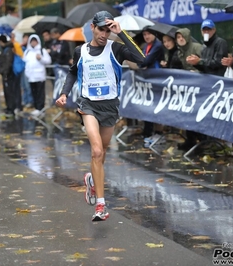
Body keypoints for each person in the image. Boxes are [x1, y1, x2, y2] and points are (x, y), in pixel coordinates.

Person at [55, 11, 144, 221]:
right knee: (96, 151)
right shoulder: (81, 51)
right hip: (88, 105)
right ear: (93, 28)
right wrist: (64, 93)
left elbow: (142, 58)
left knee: (102, 153)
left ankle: (92, 180)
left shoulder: (116, 48)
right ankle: (101, 206)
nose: (104, 34)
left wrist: (121, 34)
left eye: (108, 29)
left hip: (110, 107)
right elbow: (72, 72)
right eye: (101, 29)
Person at [182, 19, 228, 151]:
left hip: (218, 85)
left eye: (209, 29)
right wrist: (196, 64)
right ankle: (203, 141)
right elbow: (206, 67)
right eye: (204, 30)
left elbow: (218, 63)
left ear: (214, 30)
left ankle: (213, 143)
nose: (206, 32)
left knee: (214, 116)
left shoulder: (221, 43)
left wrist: (199, 61)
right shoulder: (203, 46)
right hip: (207, 85)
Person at [137, 25, 165, 145]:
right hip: (149, 80)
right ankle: (148, 132)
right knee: (148, 106)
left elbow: (145, 61)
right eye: (144, 35)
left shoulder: (157, 45)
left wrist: (143, 62)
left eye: (149, 34)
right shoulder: (146, 46)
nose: (146, 37)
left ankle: (158, 133)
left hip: (157, 80)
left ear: (154, 34)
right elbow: (141, 61)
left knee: (156, 107)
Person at [23, 34, 52, 117]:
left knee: (40, 93)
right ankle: (36, 108)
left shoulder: (42, 51)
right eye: (32, 41)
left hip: (40, 76)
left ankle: (41, 109)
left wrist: (41, 59)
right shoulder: (27, 52)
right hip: (31, 77)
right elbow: (25, 62)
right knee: (34, 92)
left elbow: (48, 61)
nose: (33, 43)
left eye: (35, 41)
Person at [21, 33, 33, 109]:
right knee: (24, 86)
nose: (25, 39)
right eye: (24, 38)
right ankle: (24, 100)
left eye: (27, 38)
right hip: (22, 69)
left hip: (29, 69)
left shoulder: (30, 48)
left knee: (28, 86)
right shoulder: (21, 47)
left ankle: (30, 101)